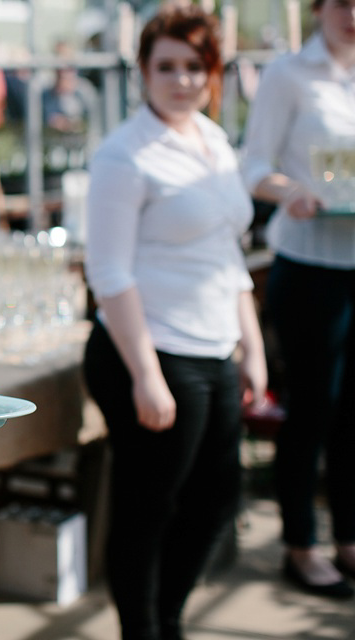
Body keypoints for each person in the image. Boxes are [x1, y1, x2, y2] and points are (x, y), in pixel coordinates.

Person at [82, 6, 268, 639]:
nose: (182, 80)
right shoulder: (124, 156)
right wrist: (146, 374)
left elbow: (225, 250)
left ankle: (168, 617)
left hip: (215, 345)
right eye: (167, 66)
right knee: (147, 507)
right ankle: (144, 629)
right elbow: (108, 273)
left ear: (212, 73)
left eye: (195, 67)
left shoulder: (212, 140)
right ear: (143, 72)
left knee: (216, 501)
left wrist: (253, 346)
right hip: (153, 350)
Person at [240, 0, 355, 600]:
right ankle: (301, 546)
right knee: (313, 410)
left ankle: (348, 541)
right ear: (318, 8)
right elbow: (253, 166)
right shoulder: (289, 75)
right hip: (310, 265)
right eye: (341, 0)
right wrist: (291, 192)